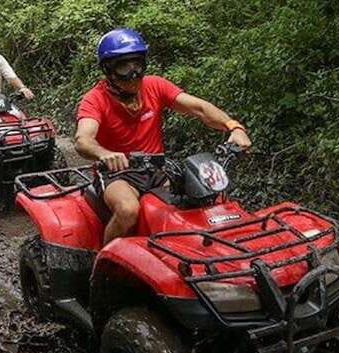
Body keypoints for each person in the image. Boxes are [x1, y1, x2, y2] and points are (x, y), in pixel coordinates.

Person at [75, 28, 252, 245]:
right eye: (124, 67)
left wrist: (234, 126)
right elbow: (83, 139)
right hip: (117, 173)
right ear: (109, 70)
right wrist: (105, 154)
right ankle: (104, 258)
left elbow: (200, 108)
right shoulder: (95, 99)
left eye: (137, 65)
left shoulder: (154, 85)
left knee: (200, 202)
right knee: (128, 210)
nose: (133, 74)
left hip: (156, 169)